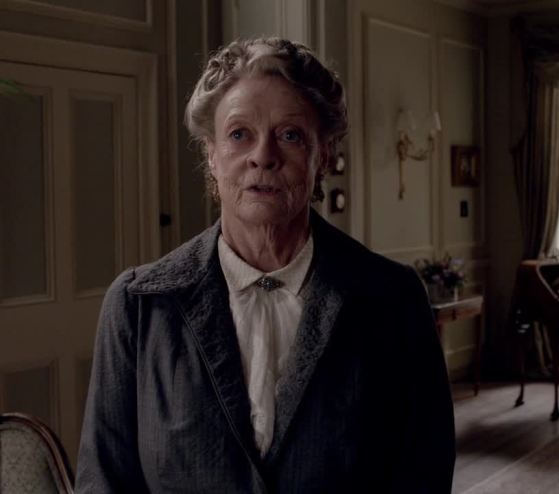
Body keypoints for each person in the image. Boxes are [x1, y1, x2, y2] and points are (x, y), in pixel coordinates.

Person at [75, 37, 455, 493]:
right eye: (239, 134)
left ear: (323, 154)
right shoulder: (139, 307)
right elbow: (104, 480)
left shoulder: (392, 299)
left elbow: (424, 474)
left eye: (290, 135)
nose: (263, 156)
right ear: (211, 154)